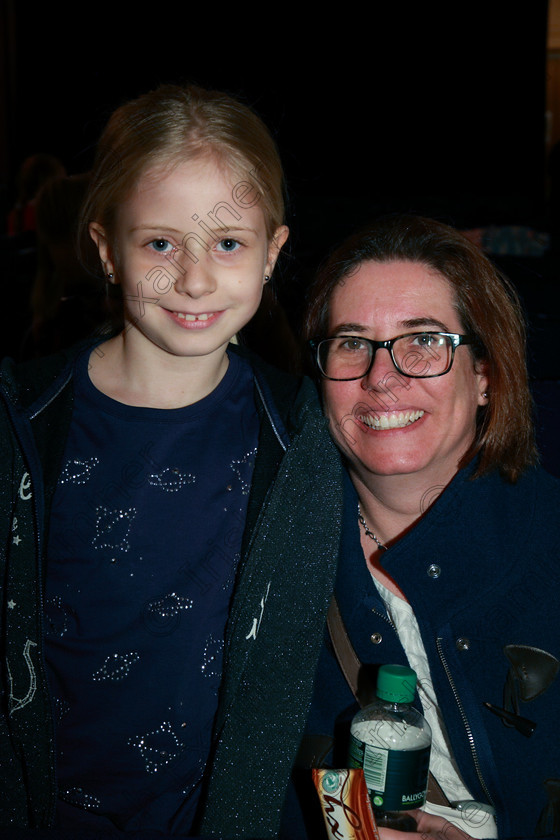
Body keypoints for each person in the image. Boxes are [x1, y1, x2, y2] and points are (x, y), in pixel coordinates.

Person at [0, 83, 344, 838]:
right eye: (160, 243)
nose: (193, 279)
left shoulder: (302, 439)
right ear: (105, 251)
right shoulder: (19, 419)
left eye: (227, 243)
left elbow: (281, 678)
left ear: (271, 254)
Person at [282, 214, 560, 840]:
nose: (382, 377)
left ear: (484, 376)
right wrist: (356, 831)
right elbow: (277, 777)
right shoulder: (275, 558)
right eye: (352, 342)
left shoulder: (549, 546)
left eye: (424, 341)